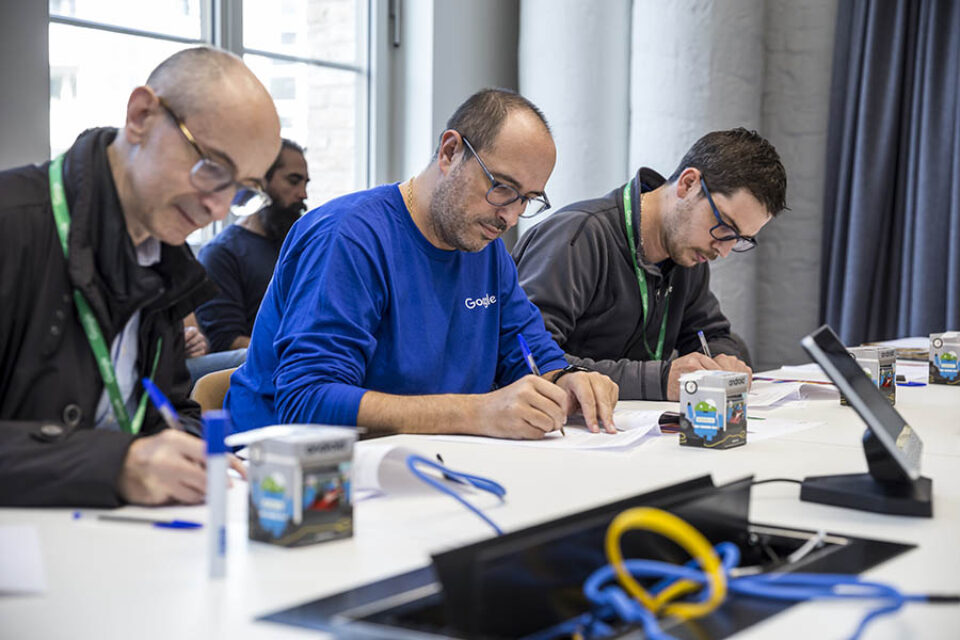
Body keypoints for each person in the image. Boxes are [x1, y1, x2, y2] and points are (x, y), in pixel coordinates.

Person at [227, 88, 619, 439]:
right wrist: (477, 412)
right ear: (450, 152)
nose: (511, 217)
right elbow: (308, 399)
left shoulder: (485, 247)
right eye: (502, 188)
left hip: (417, 466)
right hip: (286, 480)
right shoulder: (348, 237)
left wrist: (569, 380)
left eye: (528, 200)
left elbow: (531, 352)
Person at [0, 46, 280, 507]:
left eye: (241, 190)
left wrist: (187, 449)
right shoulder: (13, 227)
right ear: (142, 115)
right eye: (212, 167)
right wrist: (116, 464)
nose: (216, 208)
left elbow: (168, 408)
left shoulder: (162, 260)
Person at [513, 128, 787, 401]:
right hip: (559, 431)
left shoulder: (690, 252)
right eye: (725, 227)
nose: (724, 250)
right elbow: (526, 357)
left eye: (740, 240)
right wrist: (659, 380)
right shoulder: (576, 238)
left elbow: (710, 332)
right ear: (688, 184)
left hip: (630, 428)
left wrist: (722, 359)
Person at [194, 139, 309, 356]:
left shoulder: (297, 247)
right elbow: (225, 342)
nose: (303, 194)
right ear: (261, 181)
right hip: (257, 369)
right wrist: (300, 352)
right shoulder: (221, 253)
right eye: (293, 181)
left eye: (305, 183)